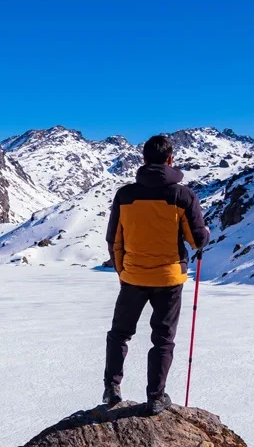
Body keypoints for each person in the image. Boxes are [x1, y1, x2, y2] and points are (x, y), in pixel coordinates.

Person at [103, 135, 210, 415]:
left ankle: (111, 388)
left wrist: (122, 271)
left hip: (133, 276)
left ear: (144, 159)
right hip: (169, 279)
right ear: (171, 159)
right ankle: (155, 397)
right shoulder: (182, 196)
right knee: (162, 340)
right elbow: (197, 240)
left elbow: (114, 239)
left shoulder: (125, 195)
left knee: (119, 334)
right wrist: (205, 234)